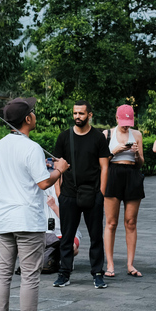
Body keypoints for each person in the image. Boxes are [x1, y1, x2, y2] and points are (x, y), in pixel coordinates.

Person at [0, 97, 68, 311]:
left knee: (3, 273)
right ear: (27, 119)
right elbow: (44, 183)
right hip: (28, 219)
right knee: (30, 275)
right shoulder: (31, 147)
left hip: (3, 217)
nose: (35, 114)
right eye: (32, 111)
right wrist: (59, 169)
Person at [52, 100, 110, 289]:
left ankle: (97, 273)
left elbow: (104, 167)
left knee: (96, 236)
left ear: (90, 115)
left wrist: (101, 193)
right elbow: (57, 167)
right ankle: (64, 273)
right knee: (66, 236)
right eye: (75, 113)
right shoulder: (63, 137)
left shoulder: (98, 138)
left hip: (93, 194)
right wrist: (59, 193)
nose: (77, 117)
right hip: (69, 194)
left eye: (81, 114)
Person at [103, 105, 145, 277]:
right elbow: (101, 161)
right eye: (123, 122)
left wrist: (135, 154)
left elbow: (141, 163)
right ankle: (110, 265)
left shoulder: (137, 135)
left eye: (129, 123)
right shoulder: (107, 135)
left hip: (132, 175)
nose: (126, 126)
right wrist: (115, 150)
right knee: (111, 222)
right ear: (116, 118)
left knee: (131, 222)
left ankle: (130, 264)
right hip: (113, 174)